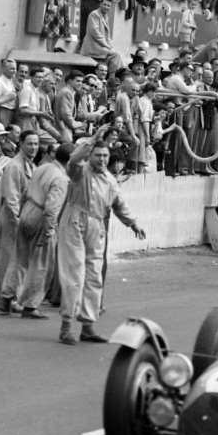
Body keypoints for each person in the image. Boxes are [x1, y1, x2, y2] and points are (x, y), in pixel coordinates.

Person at [55, 131, 146, 345]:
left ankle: (88, 325)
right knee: (74, 275)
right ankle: (66, 326)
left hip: (97, 225)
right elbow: (74, 159)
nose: (102, 159)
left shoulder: (110, 180)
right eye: (98, 155)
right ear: (91, 155)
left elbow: (119, 204)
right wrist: (92, 140)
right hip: (75, 221)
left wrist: (133, 223)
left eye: (105, 156)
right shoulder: (80, 171)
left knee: (94, 275)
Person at [9, 141, 70, 320]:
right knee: (42, 264)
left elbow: (26, 191)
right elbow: (52, 208)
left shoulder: (42, 168)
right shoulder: (61, 178)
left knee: (20, 260)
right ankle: (30, 305)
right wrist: (49, 230)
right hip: (41, 216)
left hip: (28, 209)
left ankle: (8, 297)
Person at [0, 128, 39, 313]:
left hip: (22, 215)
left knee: (15, 258)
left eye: (36, 144)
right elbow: (11, 197)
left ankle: (6, 296)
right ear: (21, 144)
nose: (33, 147)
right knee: (7, 258)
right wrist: (19, 219)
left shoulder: (30, 166)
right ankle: (1, 298)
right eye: (30, 144)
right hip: (12, 217)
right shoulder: (14, 166)